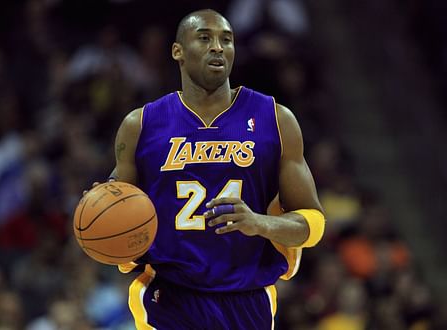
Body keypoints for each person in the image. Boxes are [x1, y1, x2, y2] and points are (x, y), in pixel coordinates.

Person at [99, 9, 325, 329]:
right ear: (178, 51)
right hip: (170, 297)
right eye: (204, 38)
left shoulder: (276, 119)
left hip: (247, 298)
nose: (217, 47)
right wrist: (100, 204)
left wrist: (260, 223)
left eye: (226, 40)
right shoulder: (141, 124)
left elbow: (313, 224)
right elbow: (115, 205)